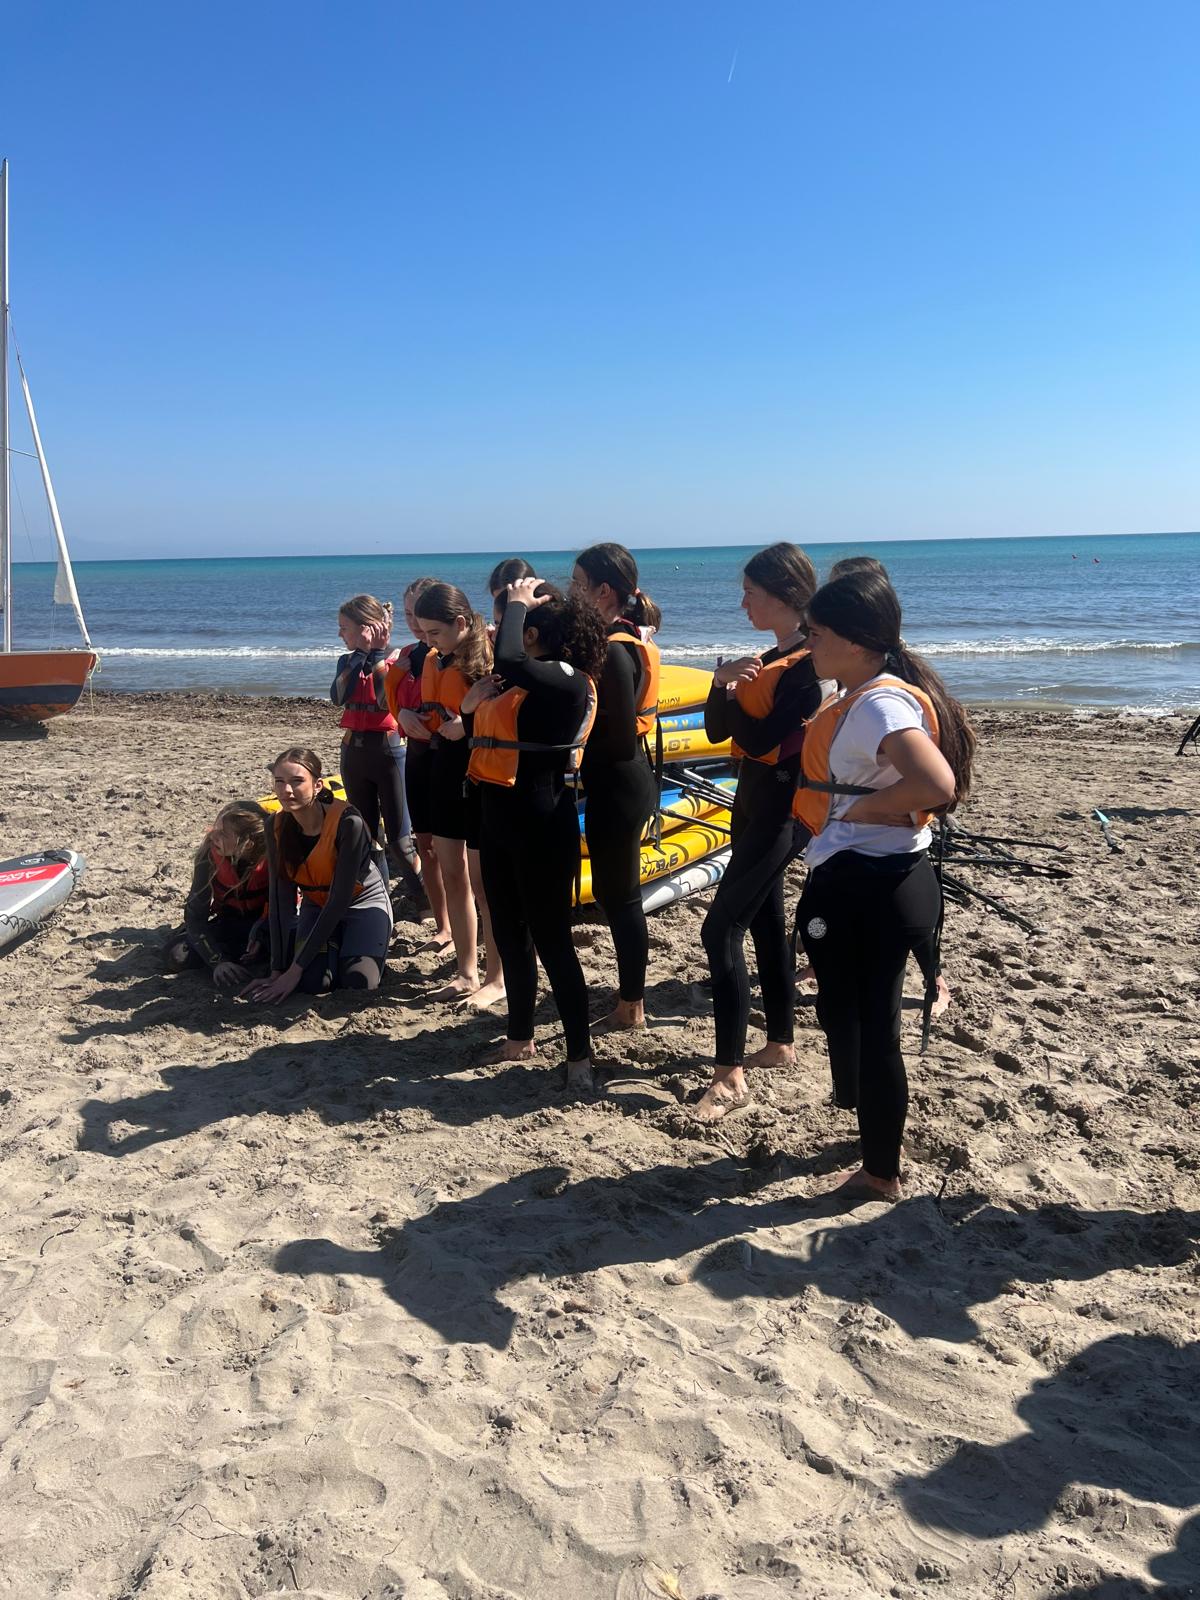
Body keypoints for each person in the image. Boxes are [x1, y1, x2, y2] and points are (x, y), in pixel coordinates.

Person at [794, 570, 976, 1201]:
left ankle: (879, 1174)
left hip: (869, 884)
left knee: (875, 1033)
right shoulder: (863, 693)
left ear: (855, 642)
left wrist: (866, 810)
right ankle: (866, 1130)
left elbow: (937, 784)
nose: (807, 643)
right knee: (853, 1016)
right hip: (883, 879)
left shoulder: (878, 703)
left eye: (815, 633)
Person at [691, 543, 826, 1122]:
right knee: (768, 920)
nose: (743, 602)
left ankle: (728, 1075)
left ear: (786, 595)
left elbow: (762, 739)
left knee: (720, 929)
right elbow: (717, 731)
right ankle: (780, 1042)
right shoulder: (767, 658)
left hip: (782, 807)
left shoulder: (809, 668)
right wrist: (719, 684)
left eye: (751, 592)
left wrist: (729, 690)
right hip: (750, 798)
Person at [463, 577, 605, 1090]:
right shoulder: (518, 683)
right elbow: (484, 739)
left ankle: (579, 1056)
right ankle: (519, 1037)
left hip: (543, 822)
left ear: (532, 632)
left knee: (552, 939)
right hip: (498, 818)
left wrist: (519, 603)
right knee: (508, 930)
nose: (498, 630)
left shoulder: (568, 680)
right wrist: (469, 707)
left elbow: (510, 657)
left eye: (508, 622)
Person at [823, 560, 949, 1018]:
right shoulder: (866, 679)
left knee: (873, 1010)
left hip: (881, 853)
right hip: (875, 851)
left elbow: (935, 780)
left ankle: (935, 979)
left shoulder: (884, 694)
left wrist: (863, 808)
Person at [569, 543, 661, 1031]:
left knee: (623, 900)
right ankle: (630, 998)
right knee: (610, 892)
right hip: (615, 782)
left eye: (577, 583)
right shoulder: (611, 640)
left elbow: (621, 739)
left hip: (620, 784)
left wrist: (570, 747)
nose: (570, 590)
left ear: (603, 591)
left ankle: (631, 1007)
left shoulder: (616, 650)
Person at [410, 582, 504, 1006]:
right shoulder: (435, 659)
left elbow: (505, 717)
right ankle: (466, 973)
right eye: (424, 631)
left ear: (461, 622)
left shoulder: (488, 658)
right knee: (452, 873)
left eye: (435, 632)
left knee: (486, 885)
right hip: (443, 769)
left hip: (480, 773)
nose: (429, 641)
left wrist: (466, 722)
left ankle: (496, 977)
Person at [245, 748, 394, 1002]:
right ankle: (333, 948)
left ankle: (360, 946)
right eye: (279, 782)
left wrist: (294, 970)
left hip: (362, 903)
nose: (286, 790)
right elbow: (281, 899)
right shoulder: (275, 825)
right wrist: (277, 970)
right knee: (314, 983)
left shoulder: (349, 822)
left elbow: (339, 900)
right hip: (316, 906)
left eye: (297, 781)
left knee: (358, 981)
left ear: (317, 786)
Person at [330, 595, 420, 894]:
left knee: (401, 842)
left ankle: (424, 902)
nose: (340, 633)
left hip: (388, 753)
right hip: (353, 754)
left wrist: (377, 654)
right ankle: (379, 897)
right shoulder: (347, 661)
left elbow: (384, 701)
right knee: (366, 836)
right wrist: (361, 655)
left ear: (365, 628)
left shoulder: (399, 660)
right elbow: (338, 697)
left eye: (344, 627)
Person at [385, 577, 452, 949]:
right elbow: (391, 703)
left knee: (456, 850)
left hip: (450, 756)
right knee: (425, 846)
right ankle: (444, 925)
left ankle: (467, 920)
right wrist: (403, 715)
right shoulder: (408, 655)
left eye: (420, 614)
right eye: (408, 614)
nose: (414, 622)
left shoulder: (458, 653)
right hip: (418, 757)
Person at [165, 801, 271, 989]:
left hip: (264, 926)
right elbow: (195, 918)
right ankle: (233, 960)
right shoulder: (208, 855)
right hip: (227, 922)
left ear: (247, 844)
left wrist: (261, 936)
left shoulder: (274, 857)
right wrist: (218, 961)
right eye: (216, 828)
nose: (213, 835)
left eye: (223, 833)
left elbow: (282, 912)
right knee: (177, 956)